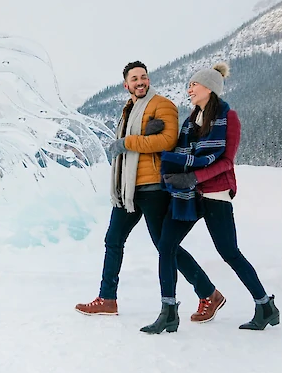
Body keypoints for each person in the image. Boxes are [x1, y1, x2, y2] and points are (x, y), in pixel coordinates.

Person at [141, 63, 279, 334]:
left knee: (229, 252)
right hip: (188, 195)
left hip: (215, 194)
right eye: (189, 84)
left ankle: (265, 306)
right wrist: (155, 136)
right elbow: (179, 152)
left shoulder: (229, 118)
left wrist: (195, 178)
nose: (189, 88)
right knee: (166, 245)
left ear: (209, 88)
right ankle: (168, 311)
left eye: (194, 84)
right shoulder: (191, 121)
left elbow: (226, 161)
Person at [75, 61, 219, 316]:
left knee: (165, 245)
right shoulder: (129, 109)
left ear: (148, 80)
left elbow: (167, 140)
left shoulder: (162, 105)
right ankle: (107, 299)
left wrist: (127, 142)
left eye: (143, 77)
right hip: (127, 190)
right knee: (113, 240)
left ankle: (208, 293)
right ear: (126, 85)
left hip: (153, 187)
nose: (140, 81)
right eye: (134, 78)